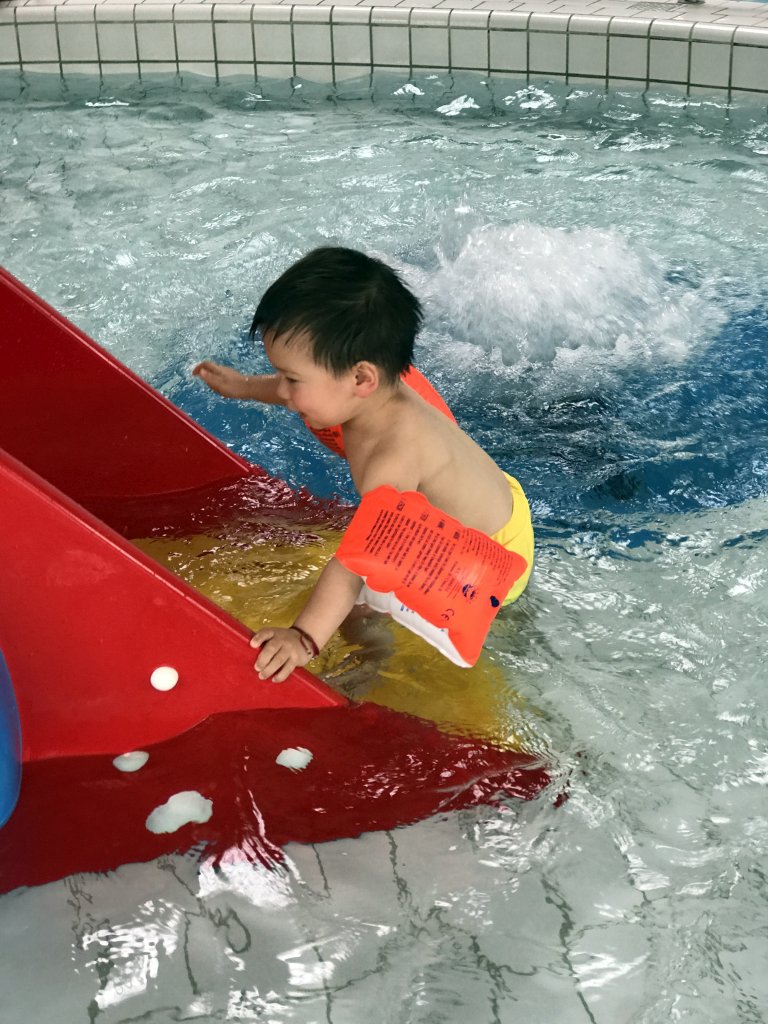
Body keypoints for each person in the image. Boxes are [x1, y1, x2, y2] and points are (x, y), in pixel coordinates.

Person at [193, 247, 532, 681]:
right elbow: (298, 386)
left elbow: (353, 564)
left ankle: (370, 663)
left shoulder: (392, 457)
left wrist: (304, 637)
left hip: (485, 555)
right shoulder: (373, 388)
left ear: (360, 379)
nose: (285, 390)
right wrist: (241, 386)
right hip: (491, 500)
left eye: (293, 379)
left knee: (358, 603)